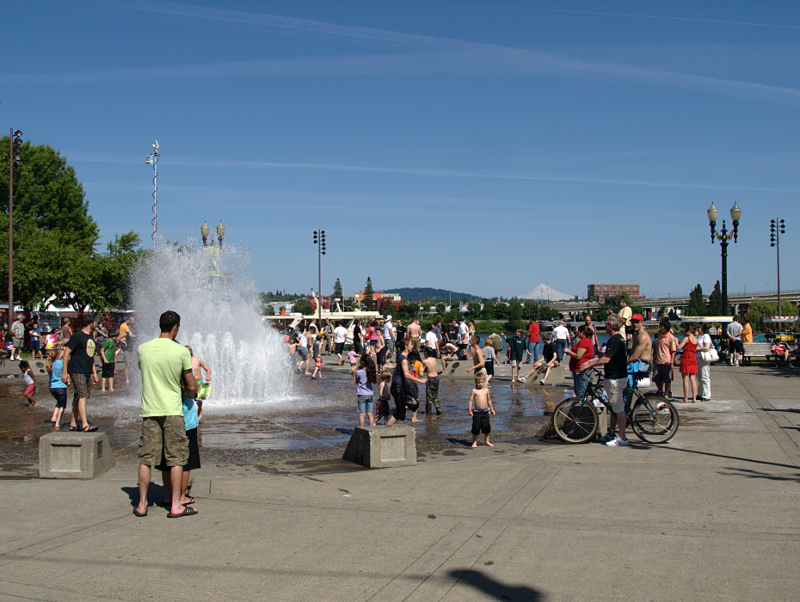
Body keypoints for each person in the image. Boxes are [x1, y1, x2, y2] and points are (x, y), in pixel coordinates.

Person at [134, 310, 198, 519]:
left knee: (146, 459)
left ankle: (142, 504)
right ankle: (176, 505)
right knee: (177, 458)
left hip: (150, 409)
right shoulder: (180, 352)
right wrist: (193, 391)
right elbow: (190, 386)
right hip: (172, 410)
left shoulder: (143, 349)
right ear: (176, 327)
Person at [580, 315, 629, 446]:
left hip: (615, 379)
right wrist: (589, 361)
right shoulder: (621, 339)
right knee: (613, 408)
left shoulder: (614, 340)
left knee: (619, 409)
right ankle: (611, 433)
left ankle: (622, 438)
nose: (605, 325)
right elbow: (604, 356)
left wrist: (589, 365)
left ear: (611, 326)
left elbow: (606, 360)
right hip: (619, 376)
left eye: (607, 323)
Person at [61, 315, 99, 432]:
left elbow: (90, 355)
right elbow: (67, 352)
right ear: (90, 323)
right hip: (77, 370)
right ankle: (85, 425)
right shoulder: (77, 336)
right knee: (82, 396)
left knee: (78, 397)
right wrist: (64, 373)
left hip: (87, 370)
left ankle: (73, 423)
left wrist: (94, 372)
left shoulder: (90, 337)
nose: (96, 325)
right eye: (95, 322)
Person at [386, 339, 427, 425]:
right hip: (398, 387)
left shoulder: (402, 357)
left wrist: (393, 384)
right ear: (406, 346)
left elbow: (395, 372)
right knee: (401, 413)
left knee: (414, 404)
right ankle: (386, 429)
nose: (412, 346)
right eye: (411, 344)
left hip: (399, 386)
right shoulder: (403, 359)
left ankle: (394, 412)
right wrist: (420, 381)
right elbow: (406, 375)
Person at [564, 325, 594, 398]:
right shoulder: (587, 340)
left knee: (580, 394)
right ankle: (584, 408)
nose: (577, 333)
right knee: (581, 393)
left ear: (582, 332)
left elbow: (578, 356)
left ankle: (584, 408)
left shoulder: (584, 341)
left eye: (578, 332)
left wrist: (568, 351)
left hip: (580, 370)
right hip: (580, 369)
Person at [653, 319, 678, 400]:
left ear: (666, 328)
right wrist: (655, 357)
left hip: (666, 361)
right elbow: (657, 347)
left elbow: (673, 350)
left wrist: (671, 362)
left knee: (667, 379)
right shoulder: (660, 335)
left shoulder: (671, 337)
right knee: (656, 378)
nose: (660, 328)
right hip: (658, 360)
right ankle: (660, 390)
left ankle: (667, 393)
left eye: (662, 327)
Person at [468, 373, 495, 448]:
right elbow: (470, 401)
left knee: (486, 427)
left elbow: (489, 401)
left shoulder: (486, 390)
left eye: (482, 382)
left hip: (485, 411)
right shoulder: (474, 391)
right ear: (475, 382)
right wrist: (470, 411)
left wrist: (492, 409)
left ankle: (487, 441)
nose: (480, 384)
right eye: (478, 382)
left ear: (485, 382)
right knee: (476, 427)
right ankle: (474, 442)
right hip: (477, 412)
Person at [676, 324, 699, 403]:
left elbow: (679, 347)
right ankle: (694, 398)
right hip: (693, 357)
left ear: (689, 331)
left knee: (685, 380)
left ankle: (686, 398)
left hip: (686, 357)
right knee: (693, 379)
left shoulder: (687, 338)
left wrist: (677, 342)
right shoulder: (696, 340)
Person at [47, 349, 68, 427]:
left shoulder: (49, 364)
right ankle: (58, 422)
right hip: (61, 386)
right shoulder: (61, 363)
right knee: (62, 405)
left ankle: (54, 417)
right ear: (58, 355)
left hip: (52, 387)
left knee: (59, 402)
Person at [189, 349, 212, 419]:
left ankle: (199, 413)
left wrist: (208, 376)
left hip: (198, 382)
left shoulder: (198, 360)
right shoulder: (183, 361)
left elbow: (208, 369)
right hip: (188, 382)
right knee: (187, 401)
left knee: (199, 402)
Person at [356, 354, 377, 427]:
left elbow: (357, 382)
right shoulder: (371, 372)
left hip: (362, 394)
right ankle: (371, 429)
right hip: (370, 394)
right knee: (370, 414)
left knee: (362, 414)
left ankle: (361, 429)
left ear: (362, 362)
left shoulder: (358, 372)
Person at [696, 324, 713, 401]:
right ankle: (700, 393)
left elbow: (707, 347)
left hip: (703, 357)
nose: (697, 329)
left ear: (702, 328)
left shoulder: (706, 336)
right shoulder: (698, 336)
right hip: (697, 357)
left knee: (705, 376)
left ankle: (706, 395)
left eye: (699, 327)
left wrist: (697, 349)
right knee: (699, 376)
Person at [422, 347, 442, 415]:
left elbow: (421, 374)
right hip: (436, 378)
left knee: (429, 397)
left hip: (430, 379)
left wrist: (422, 369)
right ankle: (438, 410)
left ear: (426, 353)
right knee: (435, 395)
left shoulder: (425, 361)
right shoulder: (434, 359)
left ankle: (429, 413)